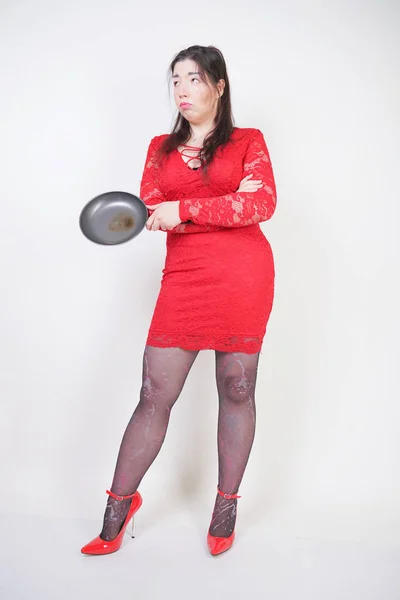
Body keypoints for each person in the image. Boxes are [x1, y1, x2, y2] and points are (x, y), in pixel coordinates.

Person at [81, 44, 277, 557]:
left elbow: (259, 203)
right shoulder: (159, 149)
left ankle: (226, 504)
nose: (182, 89)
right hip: (185, 279)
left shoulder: (247, 141)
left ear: (219, 85)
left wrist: (183, 208)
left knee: (237, 388)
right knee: (153, 393)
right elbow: (149, 203)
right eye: (175, 81)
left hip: (243, 277)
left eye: (193, 79)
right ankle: (118, 507)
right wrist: (169, 210)